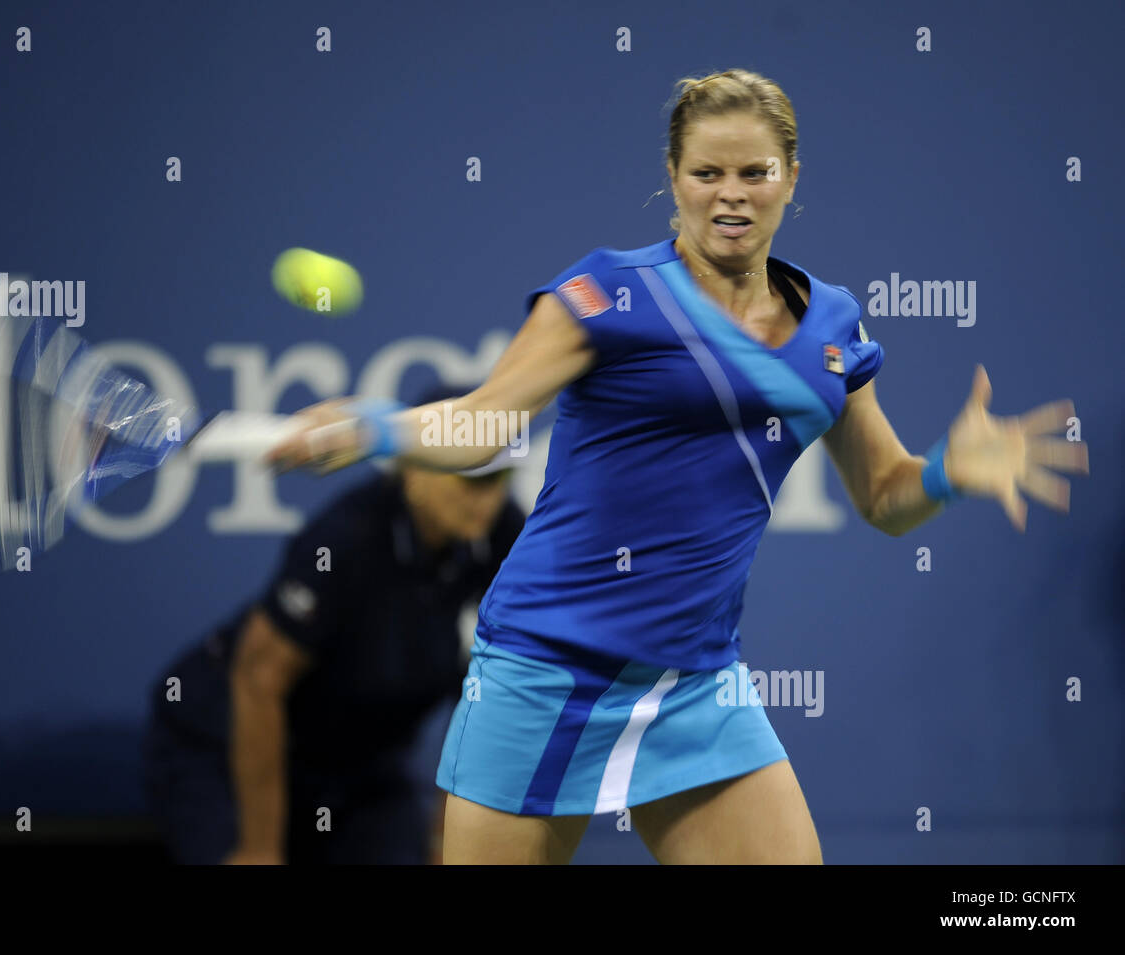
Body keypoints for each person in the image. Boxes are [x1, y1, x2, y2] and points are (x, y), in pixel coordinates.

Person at [267, 69, 1090, 865]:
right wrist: (374, 427)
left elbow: (884, 495)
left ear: (792, 178)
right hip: (544, 671)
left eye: (753, 173)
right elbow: (488, 423)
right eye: (706, 173)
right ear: (674, 178)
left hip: (696, 683)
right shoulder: (606, 296)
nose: (730, 194)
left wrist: (945, 470)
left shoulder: (834, 326)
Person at [144, 386, 524, 864]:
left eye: (500, 477)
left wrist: (445, 850)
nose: (487, 498)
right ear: (413, 471)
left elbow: (479, 719)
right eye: (469, 478)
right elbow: (257, 681)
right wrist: (260, 848)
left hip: (363, 774)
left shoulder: (507, 543)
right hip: (222, 751)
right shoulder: (344, 541)